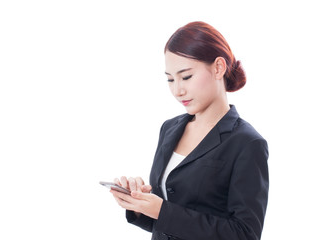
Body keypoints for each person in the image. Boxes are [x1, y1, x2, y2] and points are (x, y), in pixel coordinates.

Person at [110, 21, 269, 240]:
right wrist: (139, 205)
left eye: (186, 77)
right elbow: (166, 222)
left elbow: (245, 234)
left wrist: (161, 210)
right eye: (170, 79)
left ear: (218, 68)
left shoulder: (247, 143)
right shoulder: (169, 128)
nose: (177, 89)